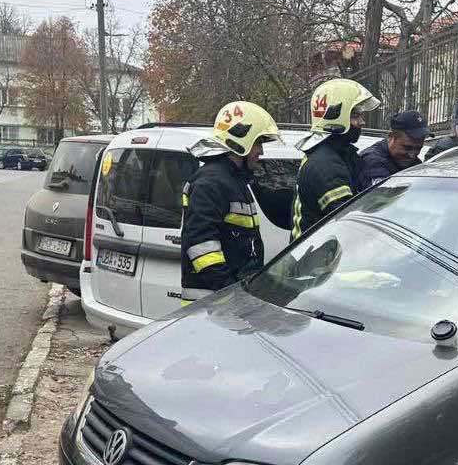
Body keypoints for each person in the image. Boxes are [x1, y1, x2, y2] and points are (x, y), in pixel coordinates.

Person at [180, 101, 281, 304]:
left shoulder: (235, 180)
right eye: (257, 143)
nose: (261, 152)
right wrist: (231, 294)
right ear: (240, 142)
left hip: (227, 304)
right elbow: (201, 247)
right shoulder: (211, 182)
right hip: (210, 308)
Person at [292, 78, 380, 240]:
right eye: (355, 115)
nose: (362, 121)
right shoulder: (327, 164)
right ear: (335, 115)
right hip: (316, 257)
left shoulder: (327, 153)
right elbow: (349, 225)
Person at [358, 110, 427, 187]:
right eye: (407, 147)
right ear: (391, 137)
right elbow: (383, 196)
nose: (412, 155)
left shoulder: (413, 162)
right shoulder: (373, 161)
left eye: (418, 148)